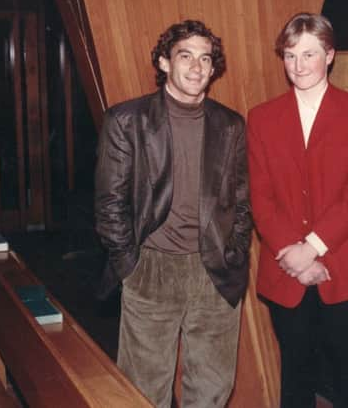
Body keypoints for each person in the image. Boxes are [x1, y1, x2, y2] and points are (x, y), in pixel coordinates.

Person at [94, 20, 252, 408]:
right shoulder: (126, 121)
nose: (197, 67)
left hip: (214, 270)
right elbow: (109, 204)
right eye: (186, 56)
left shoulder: (230, 125)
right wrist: (130, 264)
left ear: (213, 68)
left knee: (213, 388)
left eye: (205, 59)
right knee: (143, 389)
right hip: (151, 268)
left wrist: (234, 253)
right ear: (165, 62)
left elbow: (243, 202)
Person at [247, 13, 348, 408]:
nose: (299, 66)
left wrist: (313, 247)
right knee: (296, 378)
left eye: (309, 54)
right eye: (290, 56)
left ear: (330, 55)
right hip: (286, 268)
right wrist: (296, 255)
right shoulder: (262, 117)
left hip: (345, 267)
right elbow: (261, 196)